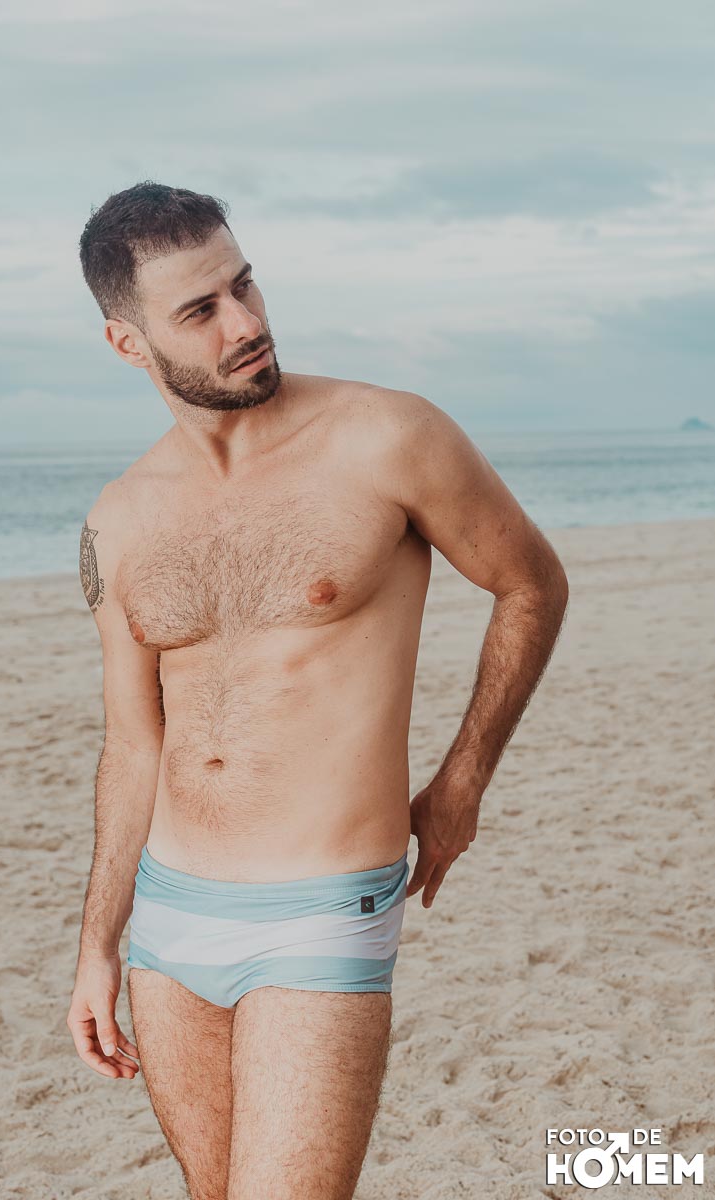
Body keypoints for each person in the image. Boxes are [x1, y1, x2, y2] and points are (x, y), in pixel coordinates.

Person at [66, 181, 569, 1200]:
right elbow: (132, 743)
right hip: (169, 917)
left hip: (321, 910)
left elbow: (530, 584)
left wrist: (462, 783)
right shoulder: (118, 518)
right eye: (200, 311)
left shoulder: (388, 436)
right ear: (127, 343)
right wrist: (97, 945)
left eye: (244, 285)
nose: (245, 323)